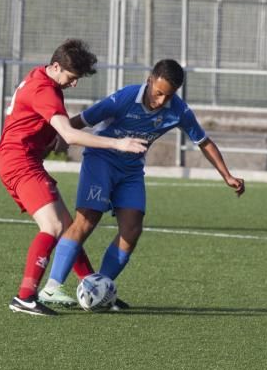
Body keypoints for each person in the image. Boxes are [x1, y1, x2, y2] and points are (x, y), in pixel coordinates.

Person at [38, 59, 245, 310]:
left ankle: (99, 288)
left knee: (132, 228)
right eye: (158, 93)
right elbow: (84, 119)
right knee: (88, 219)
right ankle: (52, 286)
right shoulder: (125, 97)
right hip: (101, 160)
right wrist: (55, 137)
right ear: (149, 80)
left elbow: (204, 141)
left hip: (131, 170)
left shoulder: (178, 110)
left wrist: (227, 175)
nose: (160, 101)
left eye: (167, 96)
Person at [0, 39, 148, 316]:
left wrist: (50, 136)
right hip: (19, 161)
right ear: (55, 66)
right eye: (71, 77)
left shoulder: (41, 78)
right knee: (53, 227)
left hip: (22, 159)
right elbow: (69, 134)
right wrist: (118, 144)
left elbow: (47, 126)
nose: (74, 84)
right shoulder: (45, 90)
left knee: (68, 229)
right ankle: (25, 296)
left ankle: (94, 288)